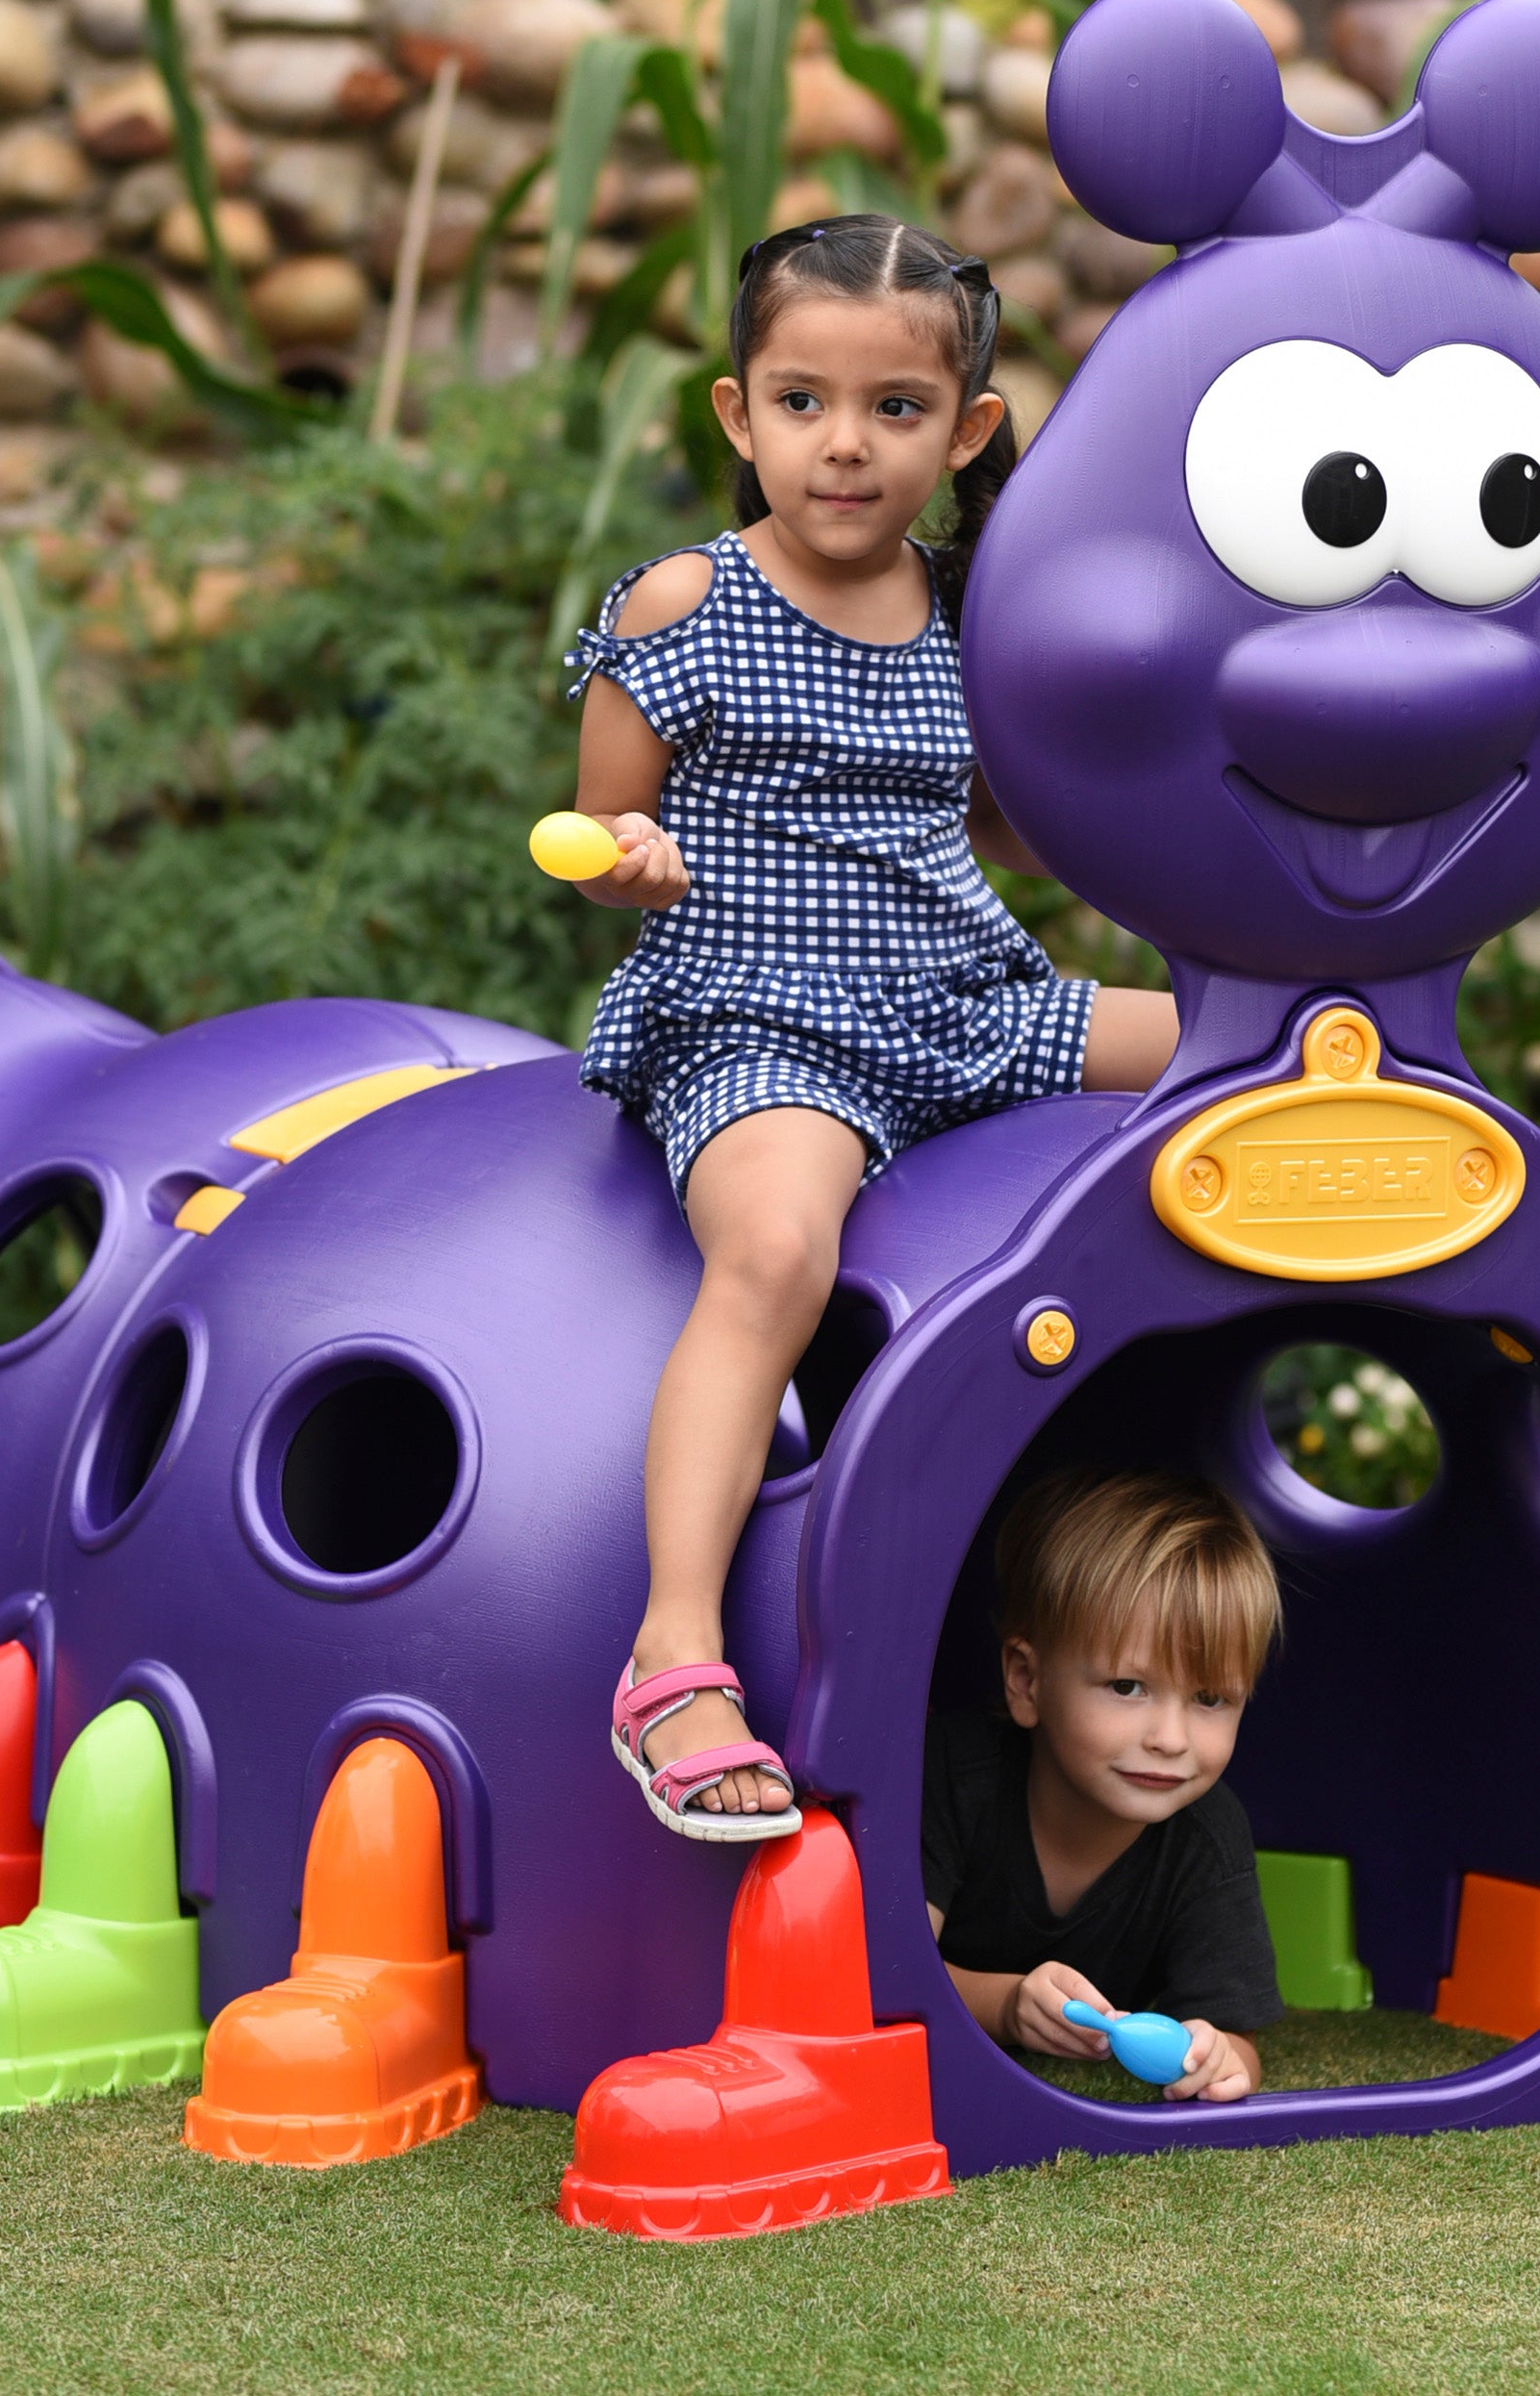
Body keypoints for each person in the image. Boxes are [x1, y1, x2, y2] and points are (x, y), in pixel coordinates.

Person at [568, 214, 1178, 1840]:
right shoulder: (681, 602)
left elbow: (1025, 832)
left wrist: (1162, 789)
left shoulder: (980, 619)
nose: (845, 444)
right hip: (764, 1013)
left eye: (895, 409)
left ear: (966, 431)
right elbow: (602, 834)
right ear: (737, 412)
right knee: (776, 1255)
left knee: (1239, 1051)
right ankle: (674, 1659)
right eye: (802, 401)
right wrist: (637, 862)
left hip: (965, 1002)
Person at [925, 1469, 1282, 2104]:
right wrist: (1006, 2005)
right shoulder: (951, 1775)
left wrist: (1217, 2057)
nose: (1170, 1738)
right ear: (1027, 1681)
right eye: (1127, 1686)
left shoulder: (1208, 1835)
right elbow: (879, 1976)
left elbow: (1236, 2043)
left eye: (1209, 1698)